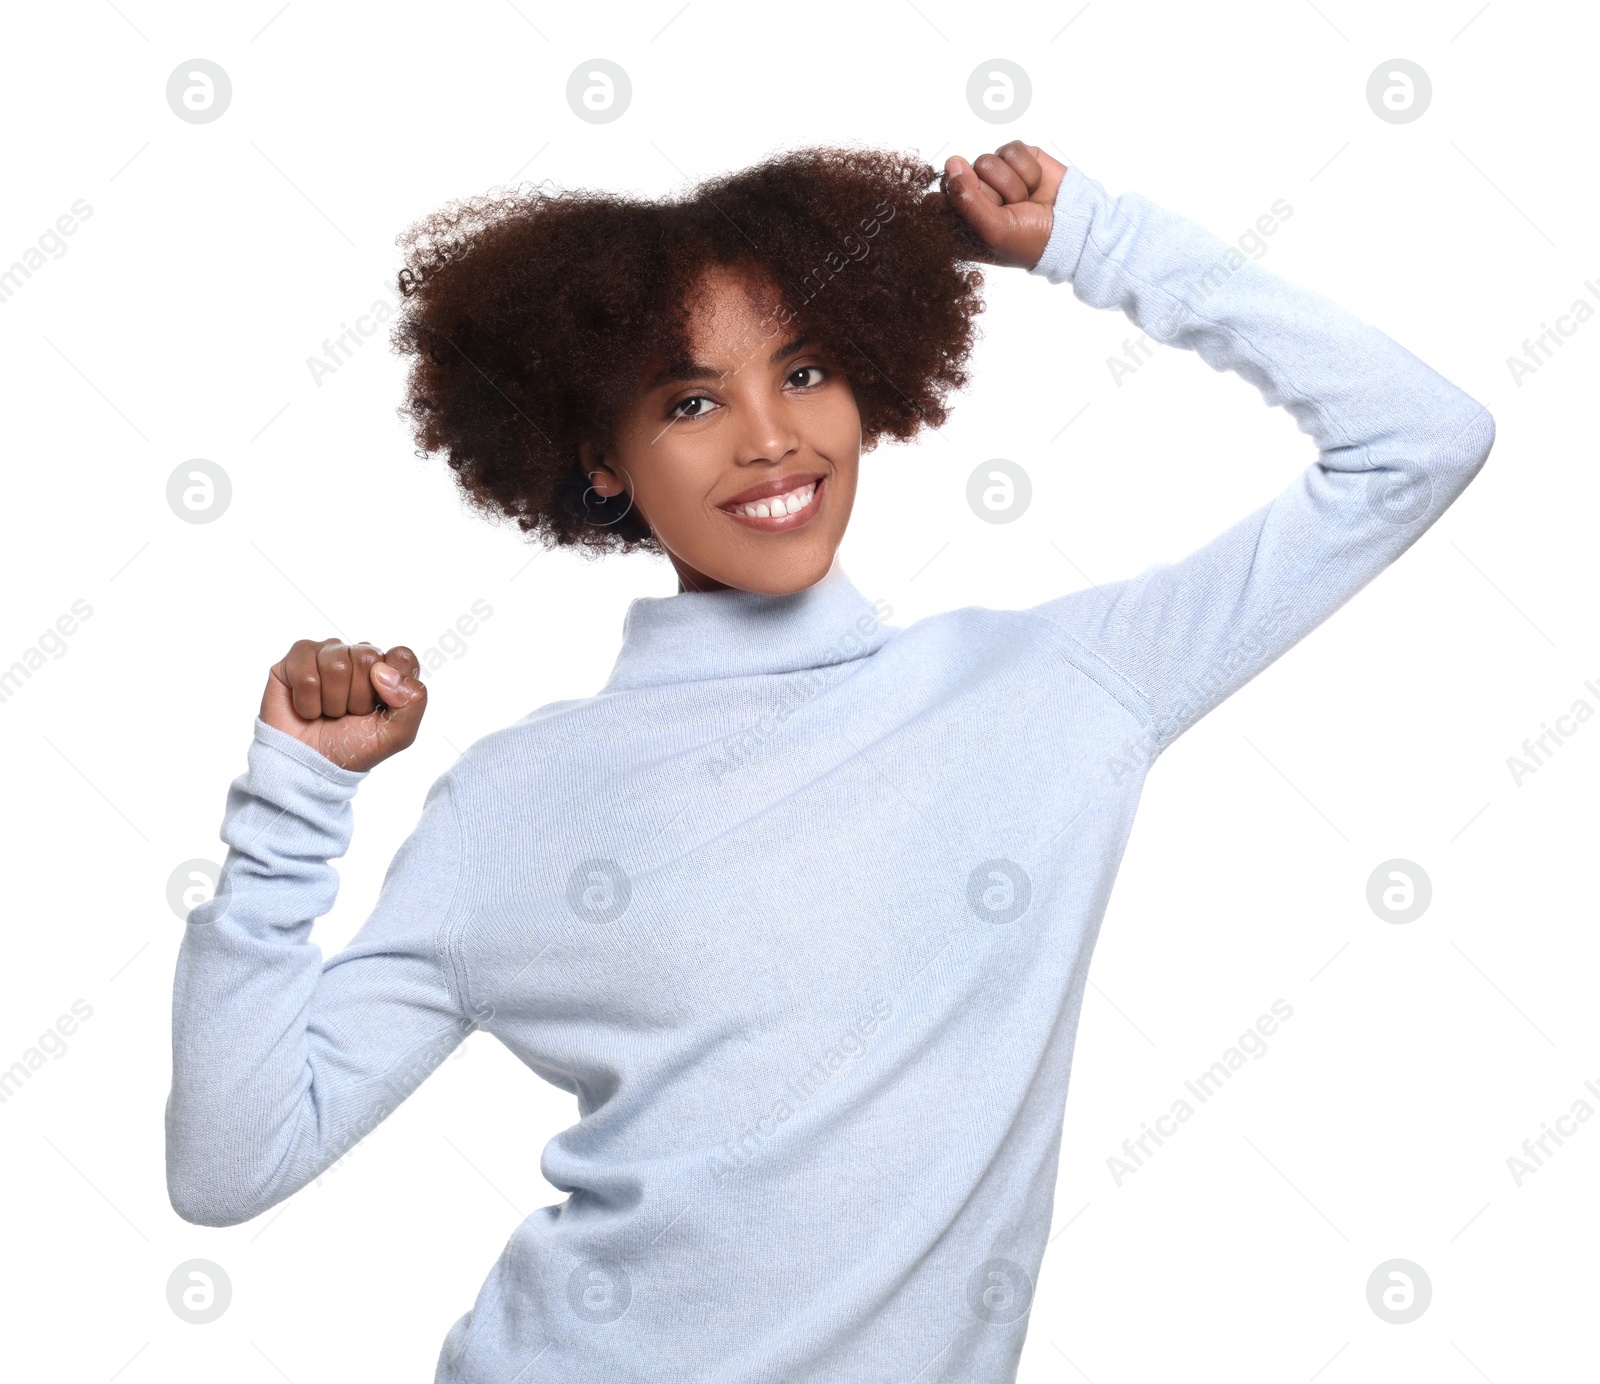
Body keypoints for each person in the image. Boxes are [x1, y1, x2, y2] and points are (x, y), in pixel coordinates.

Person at [165, 140, 1495, 1382]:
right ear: (601, 462)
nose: (769, 437)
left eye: (803, 371)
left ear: (870, 379)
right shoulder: (518, 798)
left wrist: (1098, 240)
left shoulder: (1057, 687)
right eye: (691, 399)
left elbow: (1419, 442)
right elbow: (234, 1162)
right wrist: (292, 807)